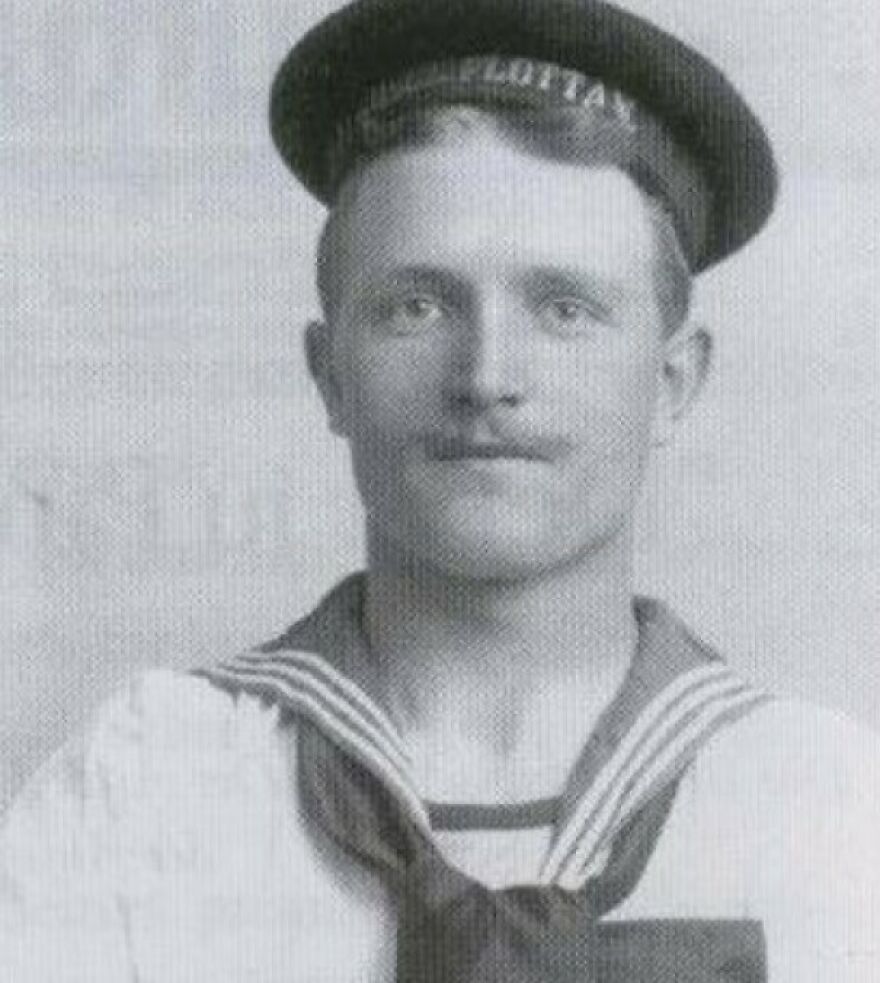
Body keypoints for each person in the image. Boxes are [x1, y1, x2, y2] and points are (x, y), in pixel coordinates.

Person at [2, 0, 879, 979]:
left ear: (673, 382)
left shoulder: (828, 811)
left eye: (564, 309)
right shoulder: (143, 788)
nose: (488, 375)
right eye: (417, 306)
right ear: (330, 374)